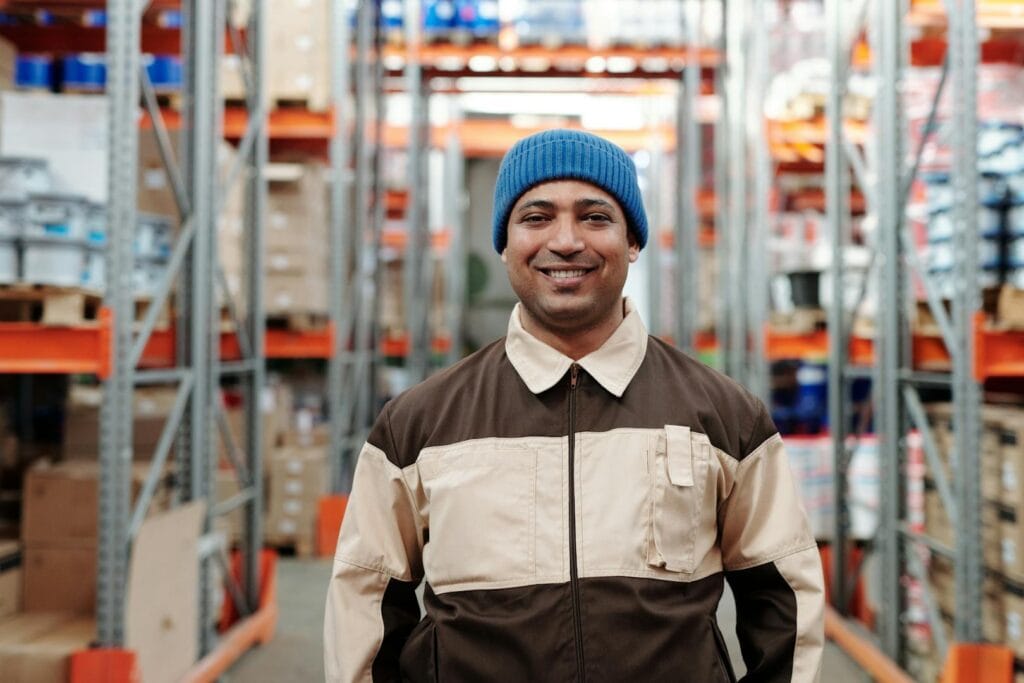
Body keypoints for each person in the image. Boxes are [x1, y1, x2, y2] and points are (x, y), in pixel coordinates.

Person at [325, 129, 825, 682]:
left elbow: (784, 600)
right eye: (536, 218)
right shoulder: (419, 424)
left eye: (594, 217)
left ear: (632, 242)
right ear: (505, 243)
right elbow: (365, 602)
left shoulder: (725, 417)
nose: (565, 241)